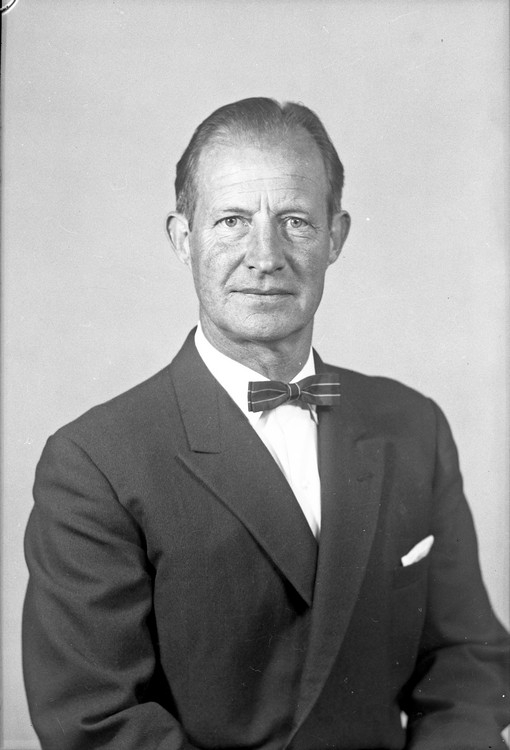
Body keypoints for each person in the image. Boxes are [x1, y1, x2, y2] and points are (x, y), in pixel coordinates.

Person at [23, 97, 509, 750]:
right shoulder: (94, 462)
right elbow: (98, 722)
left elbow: (466, 659)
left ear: (336, 237)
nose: (265, 256)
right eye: (231, 221)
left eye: (295, 222)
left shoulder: (413, 425)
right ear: (182, 238)